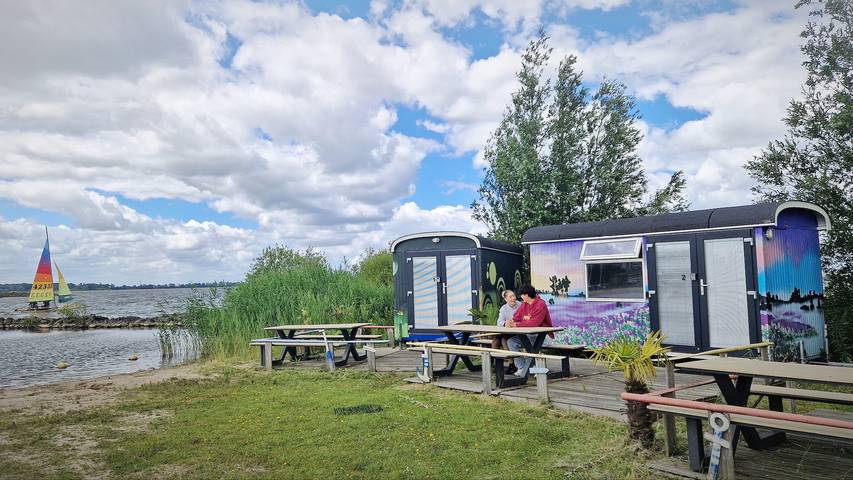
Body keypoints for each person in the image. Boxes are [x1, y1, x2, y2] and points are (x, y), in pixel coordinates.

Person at [506, 284, 554, 377]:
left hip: (543, 336)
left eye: (522, 295)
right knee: (511, 342)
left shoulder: (541, 304)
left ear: (526, 295)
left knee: (531, 344)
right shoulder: (525, 304)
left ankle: (537, 369)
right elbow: (516, 316)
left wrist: (516, 325)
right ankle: (523, 368)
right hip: (529, 335)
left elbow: (534, 323)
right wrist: (511, 321)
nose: (520, 297)